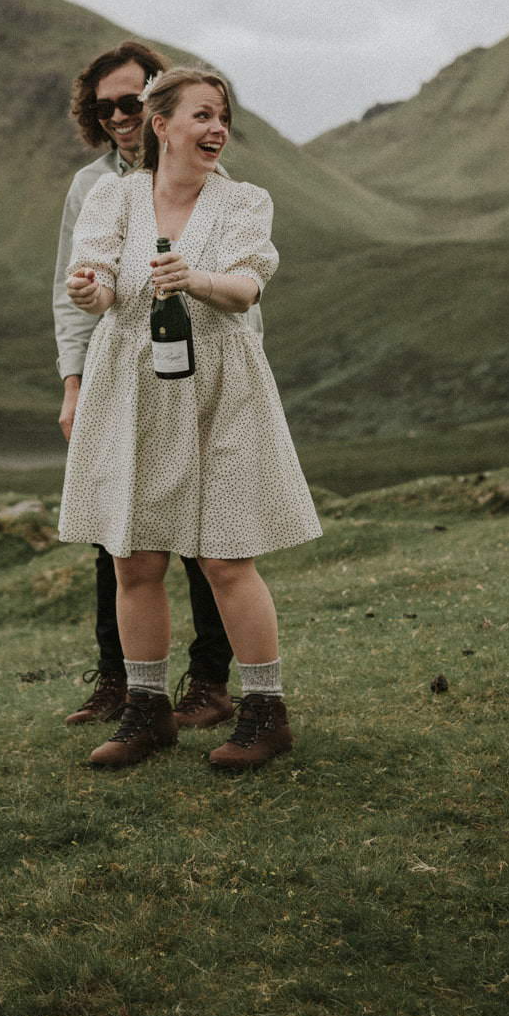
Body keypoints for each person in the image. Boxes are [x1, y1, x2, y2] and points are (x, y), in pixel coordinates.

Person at [59, 65, 320, 771]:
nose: (216, 128)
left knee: (226, 556)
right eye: (202, 114)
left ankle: (266, 712)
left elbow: (246, 286)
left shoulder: (244, 202)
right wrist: (91, 289)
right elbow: (101, 284)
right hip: (132, 389)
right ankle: (147, 712)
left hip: (221, 389)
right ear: (162, 124)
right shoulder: (113, 197)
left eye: (223, 115)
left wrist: (195, 279)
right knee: (134, 555)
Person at [53, 42, 235, 734]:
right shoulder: (91, 187)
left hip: (194, 382)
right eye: (105, 110)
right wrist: (73, 383)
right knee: (117, 529)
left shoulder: (205, 174)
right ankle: (123, 682)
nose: (120, 118)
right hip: (119, 382)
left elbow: (234, 285)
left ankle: (211, 681)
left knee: (205, 529)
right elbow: (72, 287)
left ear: (157, 106)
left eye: (131, 103)